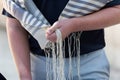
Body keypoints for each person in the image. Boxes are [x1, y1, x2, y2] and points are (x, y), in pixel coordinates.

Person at [2, 0, 120, 80]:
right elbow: (15, 22)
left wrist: (75, 24)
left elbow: (117, 9)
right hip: (40, 67)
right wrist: (25, 76)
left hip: (89, 66)